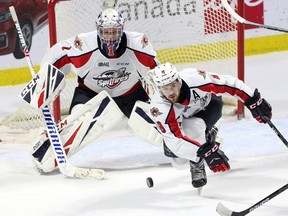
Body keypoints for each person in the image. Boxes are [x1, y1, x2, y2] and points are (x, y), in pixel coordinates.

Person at [31, 8, 159, 173]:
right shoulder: (83, 44)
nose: (110, 36)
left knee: (158, 120)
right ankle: (45, 154)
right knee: (80, 122)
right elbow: (56, 53)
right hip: (90, 95)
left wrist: (161, 103)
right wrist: (44, 78)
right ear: (98, 30)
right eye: (106, 32)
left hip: (131, 95)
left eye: (114, 32)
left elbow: (156, 73)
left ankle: (181, 147)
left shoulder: (139, 43)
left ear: (122, 29)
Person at [147, 62, 272, 188]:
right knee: (178, 162)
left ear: (178, 81)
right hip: (185, 121)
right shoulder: (159, 109)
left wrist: (252, 100)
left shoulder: (196, 79)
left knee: (195, 127)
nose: (171, 92)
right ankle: (209, 138)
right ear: (159, 88)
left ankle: (198, 162)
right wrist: (206, 151)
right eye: (165, 88)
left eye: (173, 85)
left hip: (210, 107)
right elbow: (176, 141)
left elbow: (228, 83)